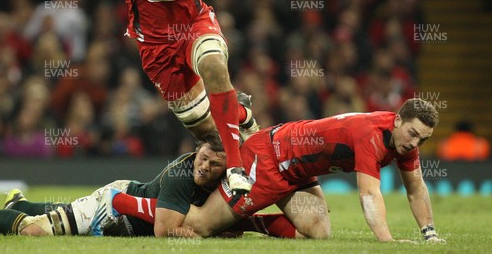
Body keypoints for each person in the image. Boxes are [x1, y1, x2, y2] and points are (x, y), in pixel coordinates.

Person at [98, 98, 446, 243]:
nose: (415, 144)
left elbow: (416, 188)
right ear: (398, 120)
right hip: (270, 160)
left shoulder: (403, 141)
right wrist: (387, 243)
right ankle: (120, 202)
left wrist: (429, 235)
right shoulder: (372, 135)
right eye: (413, 134)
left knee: (319, 232)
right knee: (199, 226)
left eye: (423, 139)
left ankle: (239, 221)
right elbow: (370, 194)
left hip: (297, 172)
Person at [96, 0, 260, 194]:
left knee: (212, 62)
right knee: (209, 133)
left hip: (194, 25)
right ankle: (240, 112)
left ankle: (237, 169)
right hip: (157, 49)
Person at [0, 133, 299, 238]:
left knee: (44, 215)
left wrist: (290, 231)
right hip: (113, 207)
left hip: (126, 206)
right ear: (195, 150)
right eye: (203, 156)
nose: (205, 165)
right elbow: (167, 231)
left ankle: (19, 202)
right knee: (36, 232)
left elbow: (246, 221)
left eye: (215, 163)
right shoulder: (184, 174)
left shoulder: (225, 185)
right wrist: (193, 232)